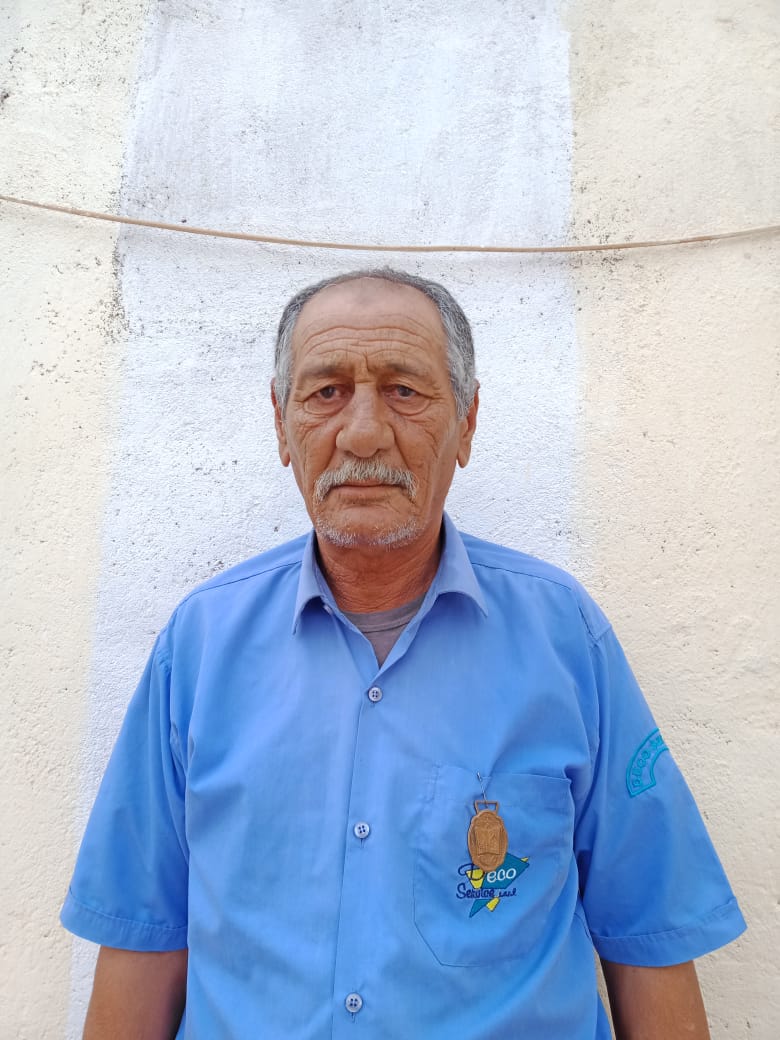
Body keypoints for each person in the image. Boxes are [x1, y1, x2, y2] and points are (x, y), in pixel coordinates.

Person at [62, 269, 746, 1039]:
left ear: (468, 421)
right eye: (326, 392)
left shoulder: (565, 640)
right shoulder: (200, 647)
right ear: (281, 425)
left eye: (404, 391)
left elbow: (649, 939)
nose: (363, 433)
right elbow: (142, 942)